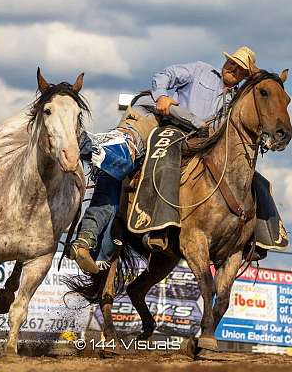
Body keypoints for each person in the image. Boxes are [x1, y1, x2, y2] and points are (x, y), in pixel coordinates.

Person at [70, 47, 259, 274]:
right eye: (232, 63)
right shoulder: (200, 71)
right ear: (226, 62)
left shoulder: (234, 101)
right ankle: (86, 148)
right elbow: (165, 75)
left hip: (192, 143)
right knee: (124, 155)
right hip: (157, 120)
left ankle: (102, 244)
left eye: (240, 69)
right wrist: (162, 95)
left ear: (245, 75)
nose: (233, 68)